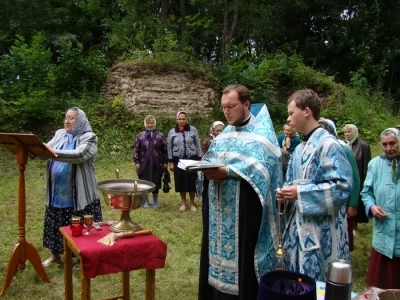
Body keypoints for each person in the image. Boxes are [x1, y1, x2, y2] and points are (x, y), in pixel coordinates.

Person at [199, 84, 282, 299]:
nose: (227, 112)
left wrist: (228, 171)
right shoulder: (225, 134)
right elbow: (210, 158)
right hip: (219, 214)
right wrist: (204, 170)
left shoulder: (263, 135)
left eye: (231, 106)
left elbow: (263, 167)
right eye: (223, 107)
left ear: (246, 104)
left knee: (243, 261)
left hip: (245, 215)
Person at [276, 89, 352, 282]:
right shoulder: (299, 149)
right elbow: (291, 184)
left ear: (307, 111)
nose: (288, 118)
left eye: (292, 113)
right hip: (298, 231)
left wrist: (299, 193)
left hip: (323, 233)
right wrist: (284, 195)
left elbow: (341, 189)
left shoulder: (329, 145)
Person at [42, 107, 103, 266]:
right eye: (66, 117)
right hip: (57, 193)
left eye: (72, 118)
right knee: (55, 222)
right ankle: (55, 255)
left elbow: (79, 155)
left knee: (79, 225)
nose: (67, 121)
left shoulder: (89, 138)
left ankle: (79, 257)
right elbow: (45, 149)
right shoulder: (60, 134)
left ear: (80, 120)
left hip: (78, 194)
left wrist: (52, 152)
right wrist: (36, 148)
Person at [361, 128, 400, 289]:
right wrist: (372, 206)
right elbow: (367, 192)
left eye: (392, 143)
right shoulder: (375, 165)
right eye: (384, 144)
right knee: (381, 285)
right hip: (383, 232)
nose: (388, 148)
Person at [319, 117, 360, 252]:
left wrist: (353, 204)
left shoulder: (344, 150)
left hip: (343, 201)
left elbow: (354, 178)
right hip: (325, 202)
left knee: (343, 235)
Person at [167, 111, 202, 211]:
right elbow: (169, 147)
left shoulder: (193, 130)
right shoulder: (172, 132)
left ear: (187, 120)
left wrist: (199, 159)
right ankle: (183, 202)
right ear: (176, 120)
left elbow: (197, 144)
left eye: (183, 119)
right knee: (180, 181)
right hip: (178, 159)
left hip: (192, 158)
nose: (182, 121)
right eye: (180, 119)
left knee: (192, 180)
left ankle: (192, 202)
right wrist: (171, 161)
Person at [133, 115, 168, 208]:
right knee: (144, 181)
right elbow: (136, 150)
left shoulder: (160, 135)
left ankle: (155, 201)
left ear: (154, 123)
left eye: (152, 123)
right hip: (144, 163)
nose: (150, 125)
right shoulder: (140, 136)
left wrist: (165, 162)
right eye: (148, 123)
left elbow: (165, 150)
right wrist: (137, 162)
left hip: (157, 163)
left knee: (156, 181)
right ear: (145, 123)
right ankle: (145, 201)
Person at [343, 124, 371, 235]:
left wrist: (366, 181)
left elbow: (367, 165)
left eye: (349, 132)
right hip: (346, 181)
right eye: (345, 132)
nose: (347, 134)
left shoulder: (363, 146)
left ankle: (355, 226)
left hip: (359, 178)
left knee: (357, 202)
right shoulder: (343, 145)